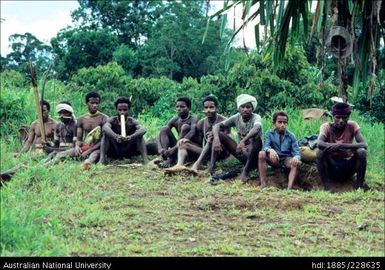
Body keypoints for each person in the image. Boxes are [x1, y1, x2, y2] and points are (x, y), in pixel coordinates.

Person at [165, 95, 230, 174]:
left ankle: (207, 166)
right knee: (183, 143)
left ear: (216, 108)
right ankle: (179, 165)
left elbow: (228, 139)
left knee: (213, 137)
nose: (208, 110)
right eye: (206, 108)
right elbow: (199, 142)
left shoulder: (224, 121)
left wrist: (216, 139)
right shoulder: (201, 123)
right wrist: (187, 140)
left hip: (220, 152)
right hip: (206, 152)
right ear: (203, 109)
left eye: (211, 107)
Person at [212, 94, 263, 183]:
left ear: (252, 108)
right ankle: (211, 167)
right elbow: (217, 125)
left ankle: (245, 171)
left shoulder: (256, 117)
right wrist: (216, 139)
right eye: (242, 107)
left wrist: (243, 141)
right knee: (219, 134)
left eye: (248, 107)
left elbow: (256, 128)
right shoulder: (236, 117)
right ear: (239, 108)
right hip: (240, 152)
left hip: (254, 155)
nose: (245, 110)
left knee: (257, 139)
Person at [316, 102, 367, 191]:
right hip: (332, 167)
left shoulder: (352, 125)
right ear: (333, 116)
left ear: (348, 116)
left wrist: (341, 145)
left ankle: (359, 187)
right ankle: (327, 188)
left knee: (362, 152)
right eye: (338, 117)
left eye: (344, 117)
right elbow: (319, 143)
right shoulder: (326, 127)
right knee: (319, 152)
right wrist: (334, 146)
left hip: (348, 167)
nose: (341, 120)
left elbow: (363, 144)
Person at [1, 100, 57, 181]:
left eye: (44, 111)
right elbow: (29, 142)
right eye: (39, 111)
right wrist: (21, 153)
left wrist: (49, 144)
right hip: (34, 151)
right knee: (9, 155)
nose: (41, 113)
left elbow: (56, 143)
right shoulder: (34, 124)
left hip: (45, 151)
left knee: (26, 161)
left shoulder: (54, 124)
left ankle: (6, 175)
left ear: (48, 111)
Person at [54, 92, 108, 170]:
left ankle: (86, 164)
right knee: (60, 155)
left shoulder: (104, 118)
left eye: (97, 103)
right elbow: (79, 139)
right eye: (92, 103)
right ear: (87, 103)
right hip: (85, 146)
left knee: (93, 156)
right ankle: (47, 166)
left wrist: (89, 151)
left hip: (97, 148)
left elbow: (104, 140)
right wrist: (77, 146)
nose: (95, 105)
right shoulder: (81, 119)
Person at [258, 111, 301, 189]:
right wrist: (270, 150)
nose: (282, 125)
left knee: (295, 163)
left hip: (286, 159)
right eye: (279, 122)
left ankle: (289, 188)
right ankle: (263, 183)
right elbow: (265, 146)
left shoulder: (291, 136)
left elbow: (297, 152)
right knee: (261, 153)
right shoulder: (269, 134)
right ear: (274, 123)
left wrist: (296, 158)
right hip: (274, 159)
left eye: (285, 123)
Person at [100, 97, 148, 164]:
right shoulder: (112, 120)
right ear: (116, 110)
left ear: (129, 110)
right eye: (120, 110)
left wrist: (131, 137)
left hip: (128, 149)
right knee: (106, 135)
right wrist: (115, 136)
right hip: (115, 149)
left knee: (140, 135)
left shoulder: (132, 121)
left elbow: (143, 129)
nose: (122, 112)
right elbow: (105, 128)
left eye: (125, 110)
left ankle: (146, 160)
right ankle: (101, 160)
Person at [156, 97, 199, 168]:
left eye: (182, 107)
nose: (179, 109)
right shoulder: (175, 119)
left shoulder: (193, 119)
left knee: (185, 127)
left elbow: (192, 132)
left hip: (190, 147)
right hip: (178, 146)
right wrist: (160, 148)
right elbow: (161, 132)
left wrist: (173, 149)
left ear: (189, 108)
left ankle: (172, 158)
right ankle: (168, 157)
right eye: (177, 107)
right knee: (164, 129)